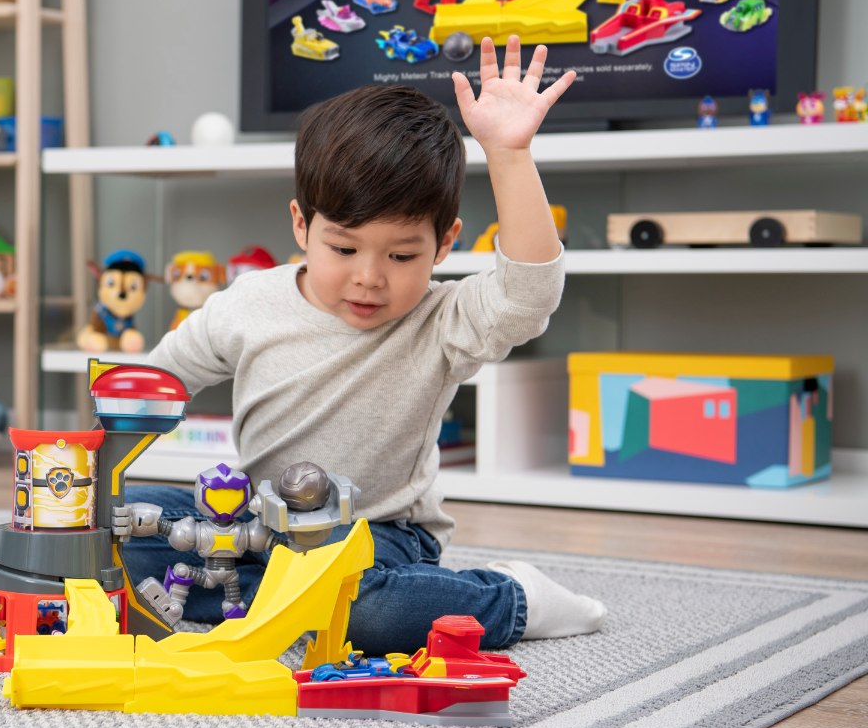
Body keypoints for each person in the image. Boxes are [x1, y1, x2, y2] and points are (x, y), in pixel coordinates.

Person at [122, 36, 606, 654]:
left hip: (381, 534)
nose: (369, 277)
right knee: (116, 525)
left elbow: (527, 296)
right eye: (344, 248)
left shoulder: (442, 321)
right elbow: (153, 384)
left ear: (444, 244)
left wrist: (509, 156)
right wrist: (90, 464)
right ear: (302, 225)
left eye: (402, 256)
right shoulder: (247, 303)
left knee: (368, 614)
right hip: (256, 526)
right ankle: (279, 600)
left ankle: (513, 597)